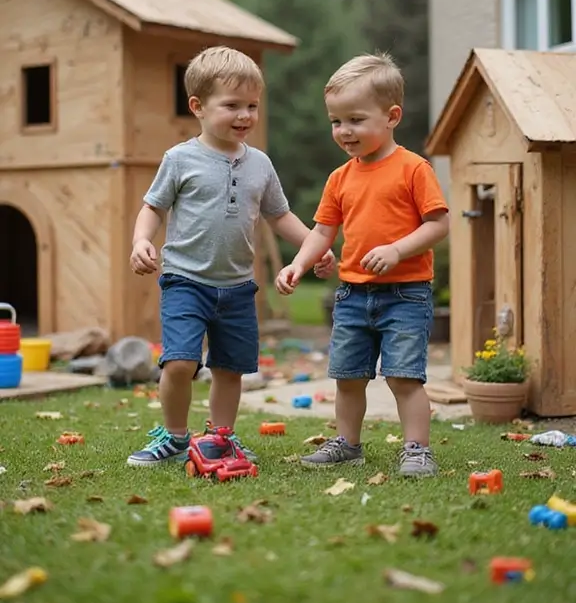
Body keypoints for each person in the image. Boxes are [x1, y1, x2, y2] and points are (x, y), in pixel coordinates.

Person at [127, 46, 334, 467]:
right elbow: (153, 207)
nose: (245, 115)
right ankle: (175, 436)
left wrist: (316, 246)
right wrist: (140, 241)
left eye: (253, 106)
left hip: (238, 288)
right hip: (186, 280)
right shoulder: (180, 158)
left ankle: (220, 438)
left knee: (230, 369)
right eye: (232, 105)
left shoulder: (259, 164)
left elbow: (280, 216)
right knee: (180, 362)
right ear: (198, 107)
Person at [276, 53, 449, 477]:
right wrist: (298, 264)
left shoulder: (413, 168)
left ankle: (416, 449)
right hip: (353, 295)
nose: (344, 131)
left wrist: (396, 250)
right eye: (336, 121)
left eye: (355, 119)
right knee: (348, 377)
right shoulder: (340, 178)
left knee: (404, 377)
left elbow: (438, 224)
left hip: (405, 294)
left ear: (392, 116)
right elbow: (321, 232)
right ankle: (347, 444)